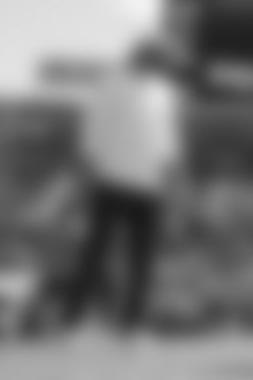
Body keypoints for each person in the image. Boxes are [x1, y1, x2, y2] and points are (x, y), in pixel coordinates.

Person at [39, 36, 186, 339]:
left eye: (165, 63)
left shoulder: (167, 93)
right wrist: (89, 166)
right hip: (112, 179)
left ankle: (133, 324)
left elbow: (167, 138)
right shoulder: (112, 83)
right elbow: (94, 126)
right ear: (143, 57)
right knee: (95, 251)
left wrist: (172, 176)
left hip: (149, 185)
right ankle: (73, 318)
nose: (163, 68)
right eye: (160, 61)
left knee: (143, 258)